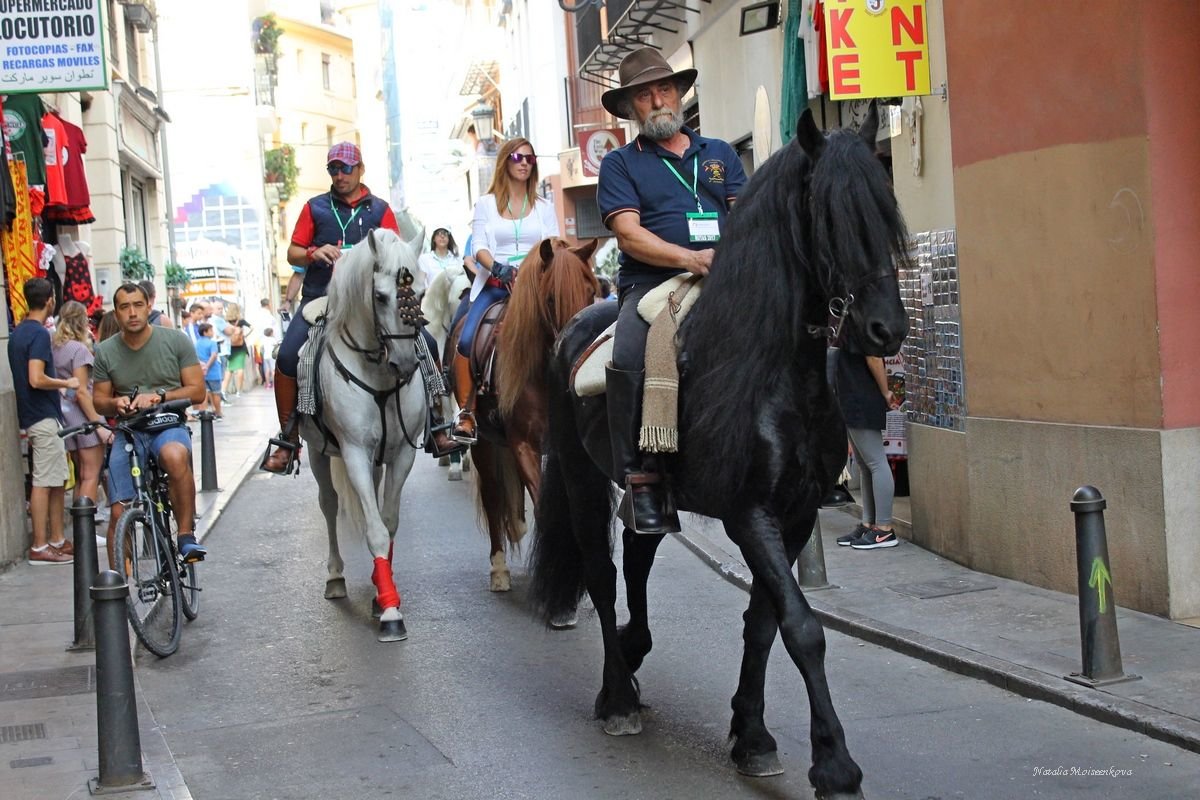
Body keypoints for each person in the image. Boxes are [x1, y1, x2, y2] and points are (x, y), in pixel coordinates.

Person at [596, 47, 747, 534]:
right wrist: (689, 258)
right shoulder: (620, 164)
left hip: (723, 277)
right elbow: (628, 234)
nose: (657, 100)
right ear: (631, 108)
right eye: (644, 95)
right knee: (630, 349)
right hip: (652, 284)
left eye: (664, 89)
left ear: (679, 94)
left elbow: (744, 215)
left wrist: (731, 256)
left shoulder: (720, 153)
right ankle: (641, 475)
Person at [260, 142, 401, 473]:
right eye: (333, 169)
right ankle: (288, 438)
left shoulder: (380, 209)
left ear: (360, 169)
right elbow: (292, 252)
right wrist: (313, 252)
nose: (340, 175)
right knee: (287, 355)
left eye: (346, 168)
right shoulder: (315, 207)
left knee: (423, 340)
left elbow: (395, 251)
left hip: (369, 301)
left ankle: (436, 421)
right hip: (320, 298)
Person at [452, 137, 560, 444]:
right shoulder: (486, 204)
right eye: (517, 157)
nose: (524, 162)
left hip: (537, 286)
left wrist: (532, 270)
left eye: (530, 158)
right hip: (497, 285)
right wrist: (499, 268)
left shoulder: (544, 207)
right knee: (467, 338)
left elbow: (553, 245)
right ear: (505, 162)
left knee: (568, 330)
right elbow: (481, 246)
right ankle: (467, 413)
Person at [92, 283, 209, 563]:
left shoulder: (175, 340)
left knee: (174, 455)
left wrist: (158, 396)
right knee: (119, 512)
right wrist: (115, 403)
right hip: (130, 431)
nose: (132, 313)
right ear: (116, 314)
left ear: (148, 308)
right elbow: (99, 400)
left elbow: (197, 391)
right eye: (124, 307)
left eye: (138, 305)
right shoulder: (106, 351)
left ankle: (185, 535)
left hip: (167, 424)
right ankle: (121, 592)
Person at [8, 278, 79, 564]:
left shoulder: (18, 333)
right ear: (50, 299)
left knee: (55, 479)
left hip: (36, 415)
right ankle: (40, 545)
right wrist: (65, 381)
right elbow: (36, 378)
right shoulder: (38, 335)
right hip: (42, 416)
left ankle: (56, 540)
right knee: (44, 480)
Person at [834, 351, 902, 550]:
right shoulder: (843, 322)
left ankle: (884, 528)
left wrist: (885, 391)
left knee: (875, 463)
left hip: (861, 398)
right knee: (864, 465)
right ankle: (869, 524)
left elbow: (873, 358)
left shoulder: (859, 322)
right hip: (851, 397)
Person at [52, 299, 113, 514]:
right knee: (90, 475)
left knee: (81, 475)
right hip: (84, 417)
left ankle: (82, 532)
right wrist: (99, 426)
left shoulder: (56, 347)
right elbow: (81, 391)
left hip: (67, 415)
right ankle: (85, 532)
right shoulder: (78, 350)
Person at [417, 227, 460, 297]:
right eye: (438, 233)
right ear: (434, 238)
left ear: (449, 238)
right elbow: (420, 283)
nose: (442, 236)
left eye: (445, 233)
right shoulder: (424, 259)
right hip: (432, 301)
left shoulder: (457, 259)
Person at [222, 302, 252, 398]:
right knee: (240, 368)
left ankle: (223, 390)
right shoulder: (241, 321)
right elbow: (252, 327)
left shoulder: (225, 321)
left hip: (230, 348)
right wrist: (244, 336)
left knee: (229, 369)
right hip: (240, 347)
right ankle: (239, 391)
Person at [194, 322, 224, 419]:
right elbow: (214, 355)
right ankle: (218, 413)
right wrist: (207, 366)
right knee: (216, 393)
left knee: (204, 393)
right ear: (205, 332)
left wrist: (202, 367)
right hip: (213, 372)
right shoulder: (212, 343)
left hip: (201, 373)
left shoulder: (197, 343)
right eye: (211, 330)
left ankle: (203, 412)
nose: (213, 332)